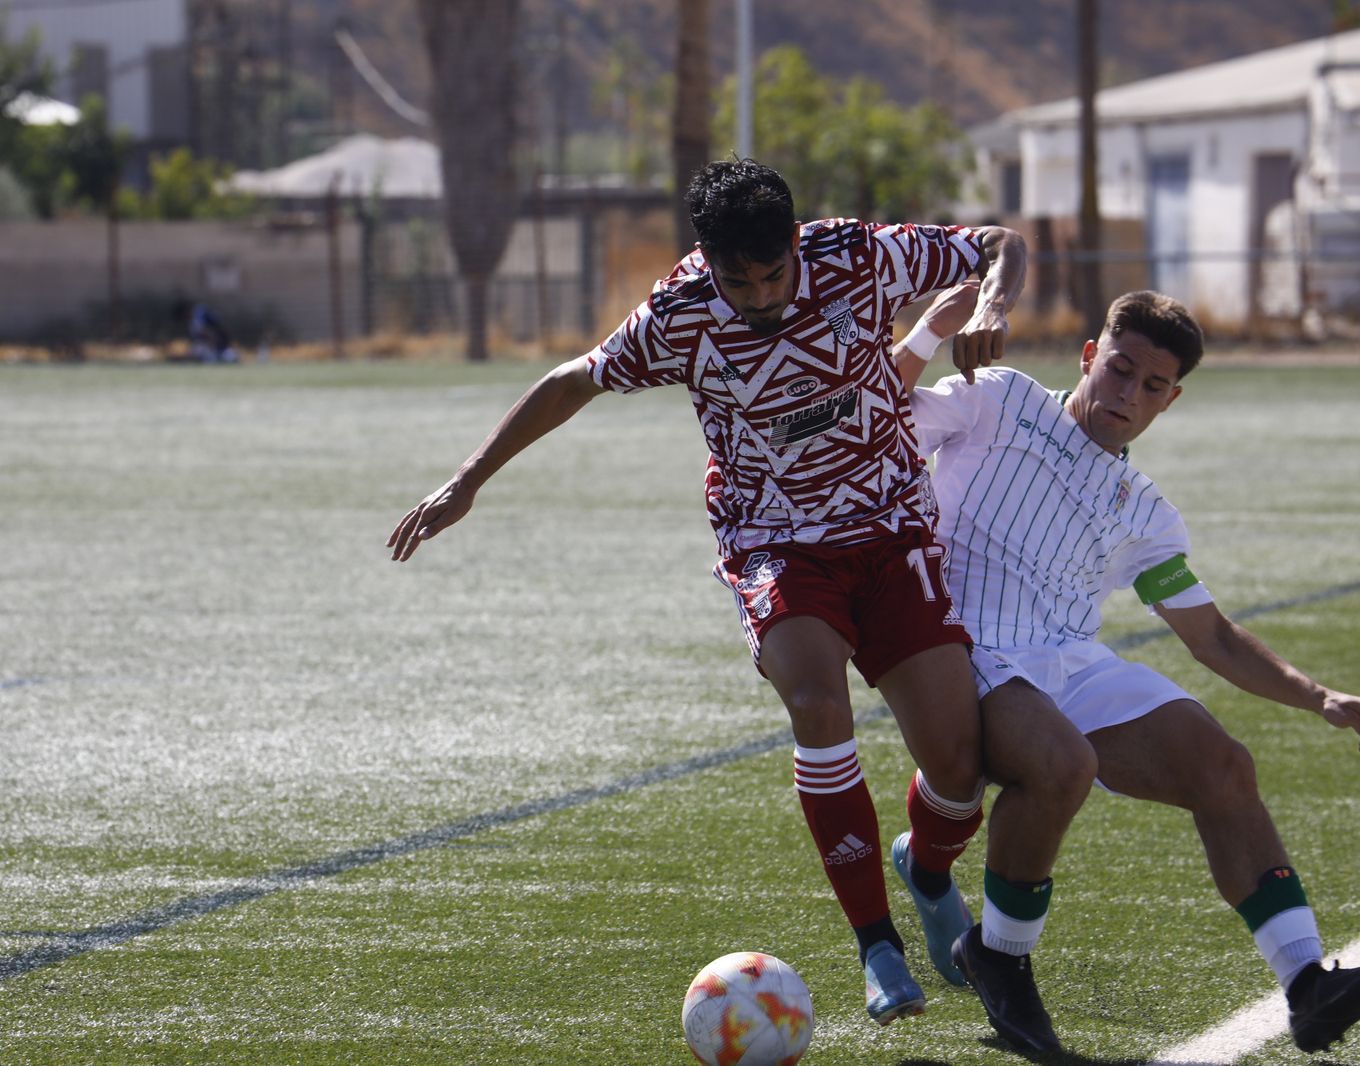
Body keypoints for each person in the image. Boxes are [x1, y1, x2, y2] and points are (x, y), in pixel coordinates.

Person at [390, 158, 1090, 1031]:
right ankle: (876, 942)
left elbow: (999, 245)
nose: (759, 295)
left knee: (956, 765)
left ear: (796, 244)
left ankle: (930, 868)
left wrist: (993, 303)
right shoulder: (680, 312)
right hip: (774, 541)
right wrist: (467, 482)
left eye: (773, 273)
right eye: (738, 279)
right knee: (814, 699)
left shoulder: (859, 256)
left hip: (891, 525)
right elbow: (573, 379)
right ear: (706, 260)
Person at [896, 286, 1360, 1054]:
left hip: (1070, 659)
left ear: (1169, 402)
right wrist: (935, 335)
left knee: (1224, 765)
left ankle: (1306, 985)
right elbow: (882, 415)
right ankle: (999, 960)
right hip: (963, 646)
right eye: (1118, 369)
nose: (1127, 394)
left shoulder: (1146, 512)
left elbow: (1211, 636)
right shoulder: (998, 399)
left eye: (1150, 387)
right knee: (1061, 764)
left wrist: (1321, 698)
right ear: (1089, 357)